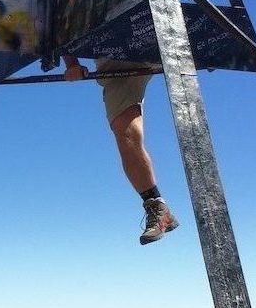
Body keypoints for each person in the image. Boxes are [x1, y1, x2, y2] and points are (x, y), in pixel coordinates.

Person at [65, 56, 179, 244]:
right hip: (110, 68)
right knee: (125, 134)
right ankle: (157, 206)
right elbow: (60, 29)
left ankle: (157, 207)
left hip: (142, 49)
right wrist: (72, 64)